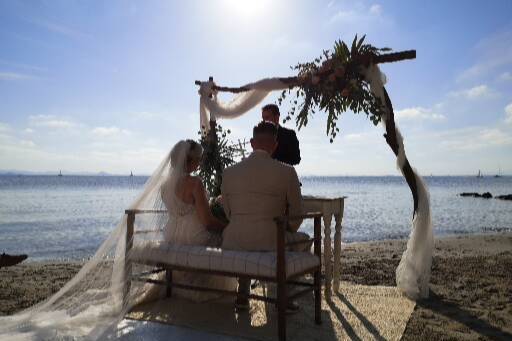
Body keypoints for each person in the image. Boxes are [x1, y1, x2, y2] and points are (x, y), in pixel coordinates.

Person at [221, 121, 308, 309]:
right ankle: (286, 297)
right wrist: (287, 228)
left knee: (246, 235)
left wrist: (243, 221)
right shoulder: (287, 172)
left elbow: (228, 211)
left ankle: (242, 295)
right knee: (304, 239)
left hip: (234, 239)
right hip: (270, 241)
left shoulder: (229, 173)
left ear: (252, 143)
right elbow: (297, 213)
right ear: (275, 145)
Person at [160, 139, 237, 301]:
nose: (201, 161)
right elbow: (208, 222)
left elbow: (179, 210)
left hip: (172, 235)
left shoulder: (164, 185)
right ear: (189, 161)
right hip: (194, 235)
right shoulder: (195, 183)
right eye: (198, 158)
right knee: (227, 240)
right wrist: (228, 226)